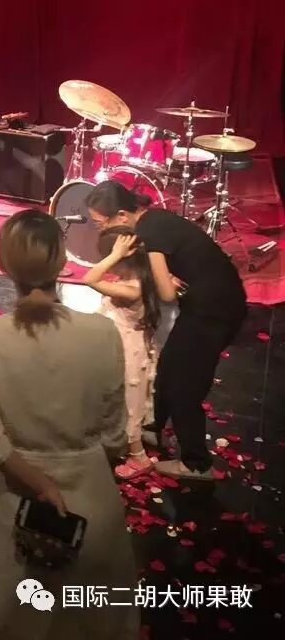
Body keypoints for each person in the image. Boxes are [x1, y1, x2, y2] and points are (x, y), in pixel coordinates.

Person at [0, 210, 138, 640]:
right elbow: (114, 436)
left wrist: (39, 483)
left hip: (17, 504)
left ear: (4, 265)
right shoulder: (101, 332)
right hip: (92, 499)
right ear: (62, 261)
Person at [85, 180, 247, 480]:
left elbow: (167, 294)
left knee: (184, 385)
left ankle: (197, 464)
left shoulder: (150, 234)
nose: (100, 230)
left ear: (122, 215)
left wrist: (158, 276)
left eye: (100, 223)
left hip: (214, 311)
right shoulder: (154, 219)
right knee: (169, 369)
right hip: (211, 301)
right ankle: (153, 430)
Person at [83, 227, 161, 479]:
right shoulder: (141, 278)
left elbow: (90, 279)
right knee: (121, 399)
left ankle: (138, 456)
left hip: (128, 352)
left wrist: (115, 254)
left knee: (129, 403)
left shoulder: (133, 289)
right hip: (126, 345)